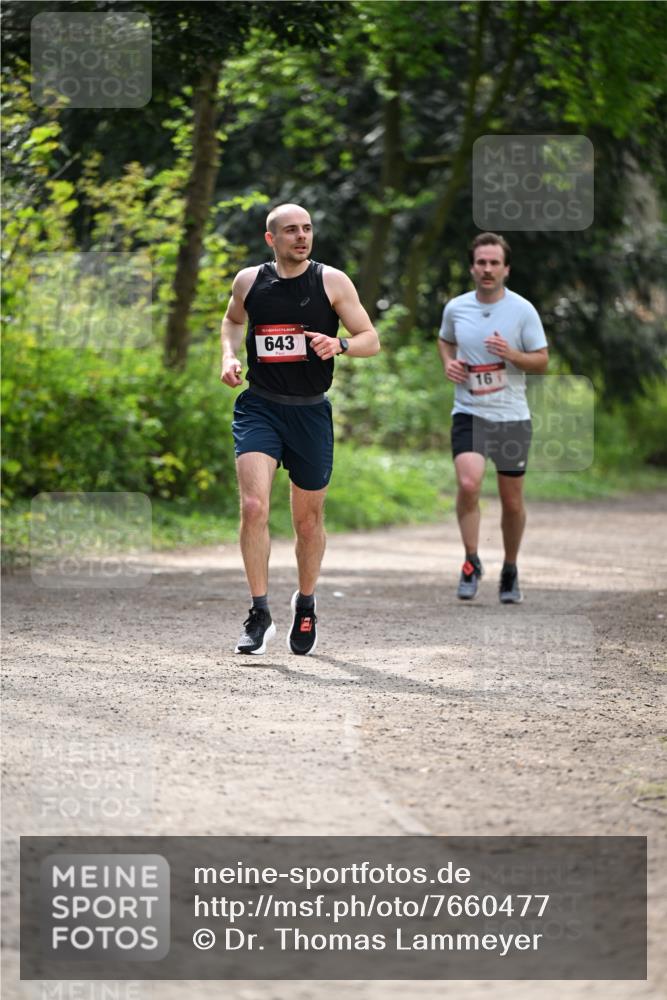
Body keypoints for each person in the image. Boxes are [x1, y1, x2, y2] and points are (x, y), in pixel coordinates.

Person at [220, 204, 380, 655]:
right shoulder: (249, 281)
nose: (302, 237)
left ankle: (305, 603)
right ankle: (258, 613)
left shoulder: (331, 281)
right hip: (260, 406)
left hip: (310, 412)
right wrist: (228, 356)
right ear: (271, 239)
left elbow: (371, 337)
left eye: (307, 228)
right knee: (254, 506)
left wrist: (342, 343)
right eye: (291, 230)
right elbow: (233, 320)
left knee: (307, 524)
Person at [438, 232, 548, 604]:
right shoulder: (456, 307)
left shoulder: (522, 310)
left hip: (512, 417)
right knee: (469, 484)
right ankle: (471, 561)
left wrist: (512, 354)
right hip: (469, 411)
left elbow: (542, 361)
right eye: (481, 262)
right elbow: (445, 339)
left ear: (506, 269)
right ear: (472, 267)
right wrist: (449, 363)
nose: (487, 269)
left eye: (494, 263)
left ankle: (511, 568)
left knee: (512, 501)